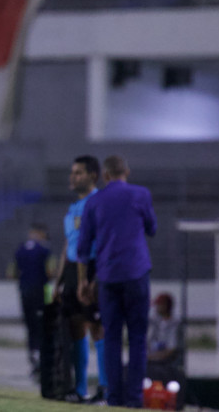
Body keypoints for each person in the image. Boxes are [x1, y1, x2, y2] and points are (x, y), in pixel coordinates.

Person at [77, 155, 157, 408]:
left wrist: (85, 282)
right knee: (137, 339)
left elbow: (83, 246)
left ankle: (114, 398)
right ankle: (134, 400)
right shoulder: (141, 194)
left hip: (108, 277)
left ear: (105, 176)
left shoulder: (94, 201)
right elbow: (152, 228)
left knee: (111, 337)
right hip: (136, 274)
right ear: (127, 172)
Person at [51, 155, 107, 403]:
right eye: (72, 172)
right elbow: (68, 244)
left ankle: (105, 387)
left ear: (93, 176)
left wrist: (96, 277)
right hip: (73, 270)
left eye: (79, 173)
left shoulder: (99, 204)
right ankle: (80, 387)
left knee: (97, 327)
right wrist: (59, 280)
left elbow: (103, 241)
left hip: (93, 267)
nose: (72, 177)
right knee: (76, 328)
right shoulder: (74, 207)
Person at [8, 222, 54, 379]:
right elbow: (51, 271)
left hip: (24, 291)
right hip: (41, 292)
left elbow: (11, 273)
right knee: (42, 326)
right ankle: (43, 360)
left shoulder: (20, 249)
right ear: (41, 233)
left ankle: (33, 358)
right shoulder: (45, 250)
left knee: (30, 327)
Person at [147, 293, 184, 382]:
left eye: (159, 305)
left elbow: (172, 349)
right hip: (153, 361)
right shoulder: (155, 322)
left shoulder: (175, 324)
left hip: (170, 364)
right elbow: (148, 342)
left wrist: (152, 357)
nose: (157, 307)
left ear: (166, 306)